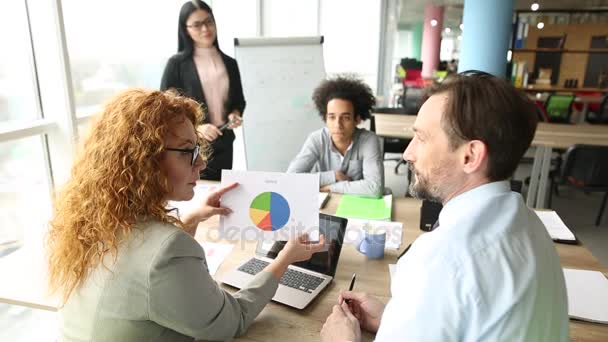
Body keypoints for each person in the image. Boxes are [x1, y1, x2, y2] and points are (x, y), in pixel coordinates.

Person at [46, 89, 325, 341]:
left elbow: (145, 270)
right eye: (188, 152)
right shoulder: (168, 251)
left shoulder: (94, 220)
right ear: (146, 160)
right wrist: (285, 258)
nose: (202, 162)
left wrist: (190, 220)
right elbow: (231, 321)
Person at [320, 71, 569, 341]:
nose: (408, 153)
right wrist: (395, 318)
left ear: (470, 155)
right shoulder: (533, 227)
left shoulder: (441, 260)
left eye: (422, 138)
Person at [161, 0, 244, 181]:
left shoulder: (230, 63)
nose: (205, 29)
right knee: (196, 193)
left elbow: (238, 100)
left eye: (209, 22)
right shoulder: (176, 65)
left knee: (222, 193)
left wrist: (234, 113)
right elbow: (165, 107)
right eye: (197, 25)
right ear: (185, 29)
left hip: (224, 139)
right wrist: (197, 127)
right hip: (192, 145)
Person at [286, 75, 384, 198]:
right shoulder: (316, 139)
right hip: (326, 206)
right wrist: (333, 176)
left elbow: (375, 188)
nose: (338, 125)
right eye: (332, 117)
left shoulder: (369, 140)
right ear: (325, 118)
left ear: (357, 119)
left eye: (346, 118)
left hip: (356, 204)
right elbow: (290, 178)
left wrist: (331, 187)